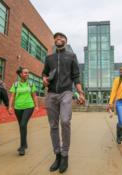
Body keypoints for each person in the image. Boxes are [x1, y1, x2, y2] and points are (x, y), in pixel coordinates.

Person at [42, 32, 85, 173]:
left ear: (66, 41)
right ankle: (58, 155)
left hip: (66, 92)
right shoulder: (49, 58)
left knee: (65, 121)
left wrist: (81, 93)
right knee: (53, 125)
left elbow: (76, 76)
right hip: (52, 94)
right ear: (54, 41)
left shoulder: (71, 56)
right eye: (56, 38)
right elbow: (44, 73)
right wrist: (44, 79)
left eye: (61, 37)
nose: (58, 39)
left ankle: (65, 155)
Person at [8, 67, 39, 156]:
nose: (27, 74)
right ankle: (24, 144)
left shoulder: (31, 84)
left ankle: (22, 147)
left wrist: (36, 106)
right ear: (20, 74)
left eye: (28, 73)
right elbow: (12, 96)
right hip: (17, 107)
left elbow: (34, 96)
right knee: (22, 126)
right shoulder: (16, 84)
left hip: (29, 106)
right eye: (25, 73)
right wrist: (10, 107)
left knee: (22, 124)